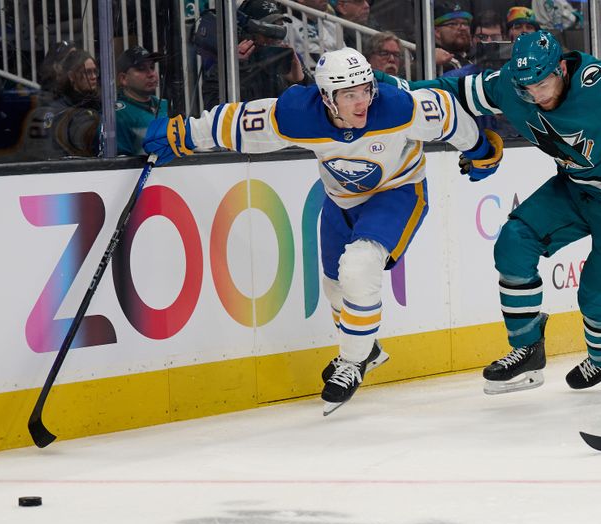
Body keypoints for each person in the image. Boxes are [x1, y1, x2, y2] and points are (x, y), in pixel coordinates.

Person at [142, 47, 503, 414]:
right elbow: (239, 123)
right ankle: (367, 350)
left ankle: (352, 362)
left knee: (360, 266)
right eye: (350, 95)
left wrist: (478, 148)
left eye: (365, 89)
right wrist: (184, 133)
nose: (362, 101)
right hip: (340, 201)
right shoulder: (299, 114)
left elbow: (447, 114)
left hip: (398, 192)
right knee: (334, 286)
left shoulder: (396, 106)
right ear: (327, 98)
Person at [377, 30, 601, 393]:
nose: (536, 96)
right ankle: (527, 349)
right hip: (576, 188)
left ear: (561, 68)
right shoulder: (511, 86)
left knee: (596, 295)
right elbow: (454, 92)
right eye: (526, 89)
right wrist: (396, 88)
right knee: (513, 243)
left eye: (543, 84)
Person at [197, 0, 312, 108]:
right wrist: (238, 67)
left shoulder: (286, 59)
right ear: (247, 31)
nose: (276, 37)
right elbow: (214, 108)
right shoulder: (229, 64)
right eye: (269, 29)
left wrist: (300, 81)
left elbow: (318, 105)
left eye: (280, 27)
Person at [23, 48, 101, 159]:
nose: (93, 77)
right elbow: (45, 154)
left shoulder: (100, 104)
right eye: (87, 72)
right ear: (71, 76)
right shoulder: (55, 110)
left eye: (95, 71)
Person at [115, 46, 169, 156]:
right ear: (123, 79)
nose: (151, 74)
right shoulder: (118, 116)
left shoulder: (163, 105)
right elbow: (118, 167)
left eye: (152, 67)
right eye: (141, 68)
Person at [433, 0, 473, 72]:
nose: (463, 28)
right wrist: (431, 61)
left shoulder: (473, 57)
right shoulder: (433, 61)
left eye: (465, 23)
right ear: (437, 32)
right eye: (453, 24)